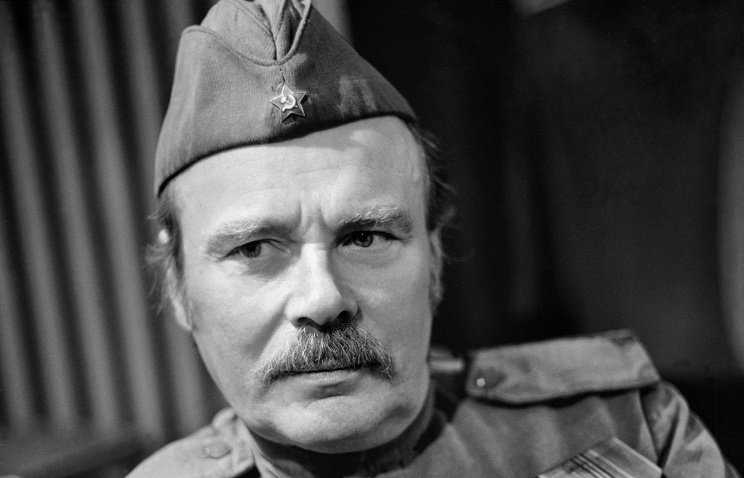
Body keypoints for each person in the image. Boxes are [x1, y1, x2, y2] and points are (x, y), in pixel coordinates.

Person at [128, 0, 740, 476]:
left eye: (365, 237)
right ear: (179, 289)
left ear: (436, 258)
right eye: (254, 249)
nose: (323, 298)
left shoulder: (625, 425)